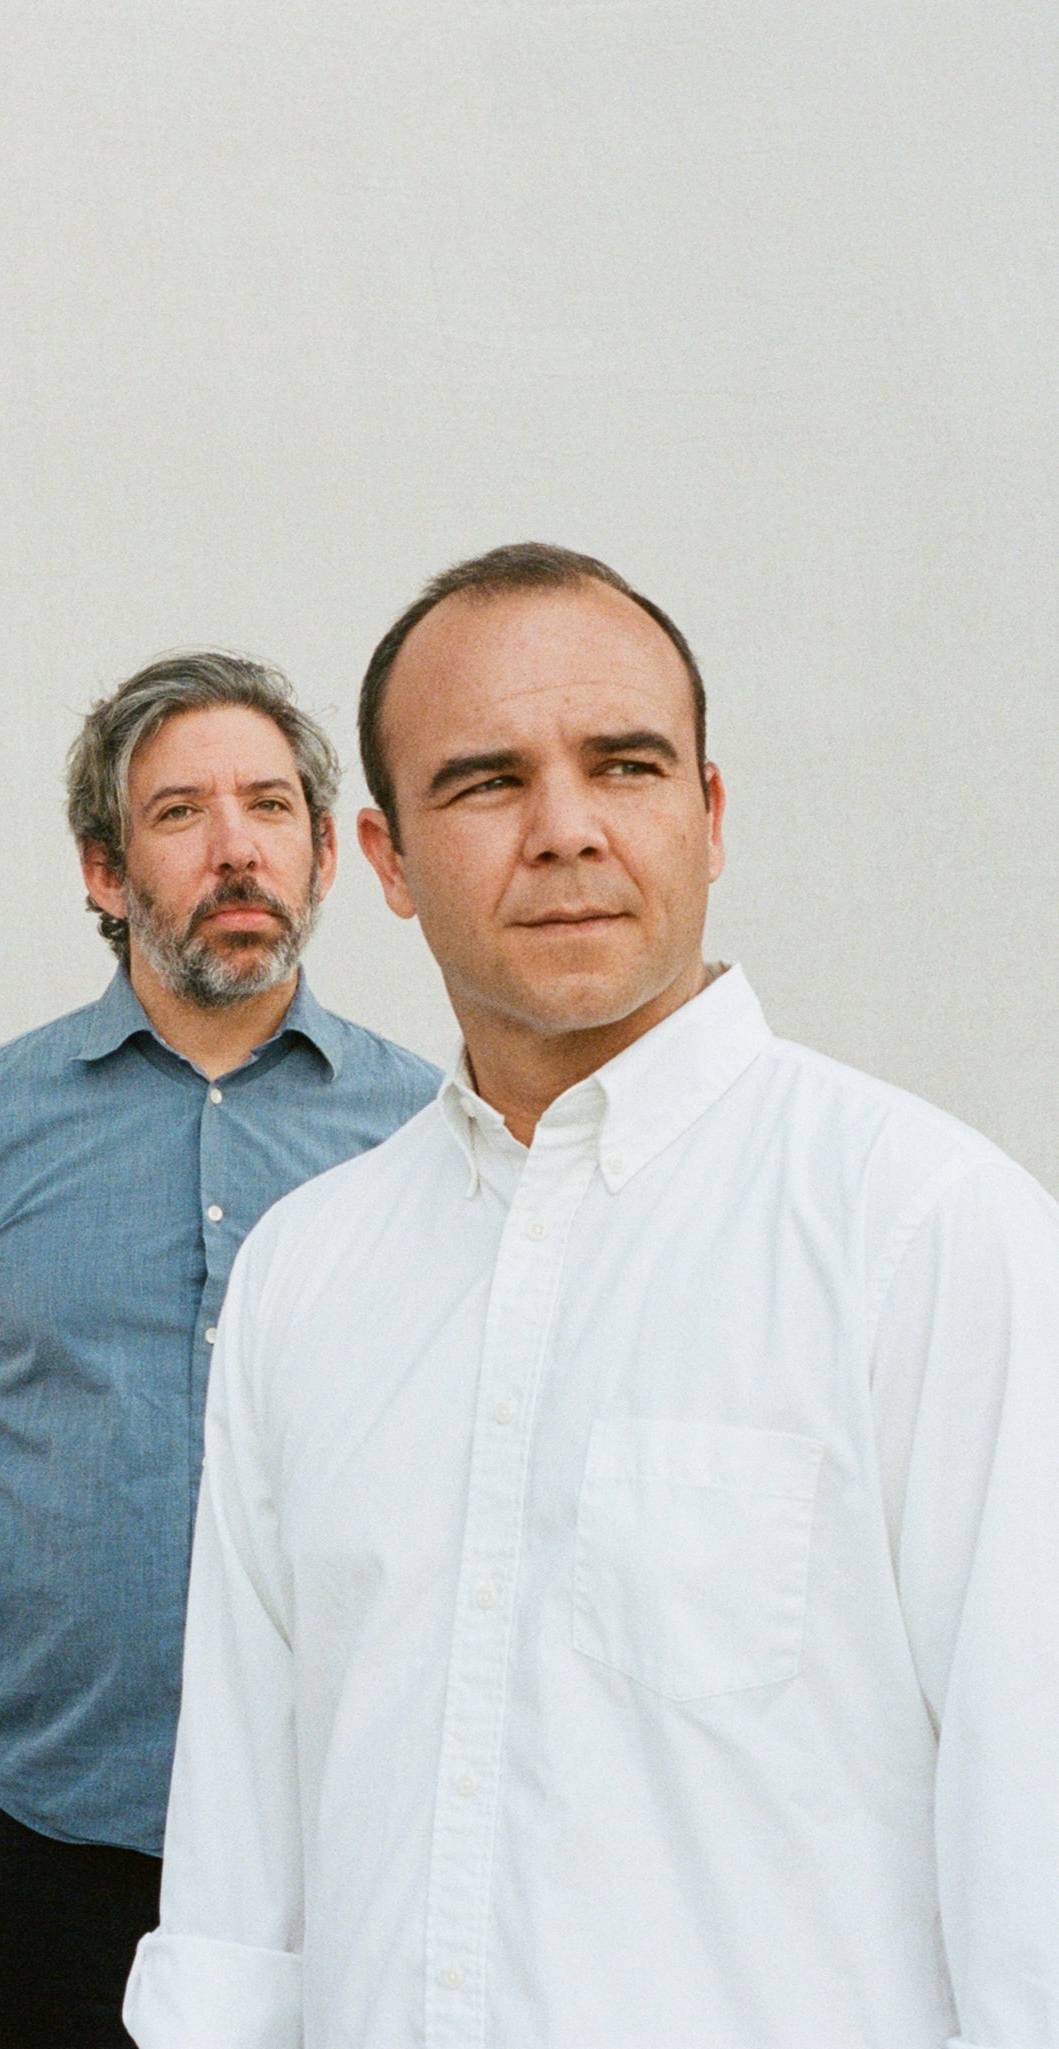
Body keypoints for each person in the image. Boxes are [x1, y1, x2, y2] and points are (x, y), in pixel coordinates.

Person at [127, 544, 1059, 2047]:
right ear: (384, 861)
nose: (563, 832)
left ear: (706, 815)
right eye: (485, 782)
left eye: (622, 765)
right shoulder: (309, 1272)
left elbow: (1038, 1890)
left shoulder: (931, 1237)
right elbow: (241, 1876)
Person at [0, 653, 437, 2047]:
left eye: (270, 806)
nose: (235, 845)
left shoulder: (424, 1135)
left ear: (324, 857)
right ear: (105, 872)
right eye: (180, 813)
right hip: (59, 1847)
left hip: (350, 1853)